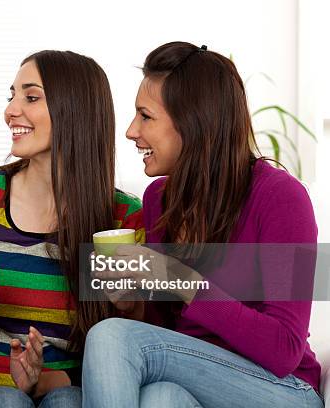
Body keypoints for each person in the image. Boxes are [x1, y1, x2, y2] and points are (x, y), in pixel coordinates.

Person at [81, 42, 324, 407]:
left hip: (282, 389)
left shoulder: (282, 197)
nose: (131, 131)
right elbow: (170, 335)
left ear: (192, 123)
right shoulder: (158, 198)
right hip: (198, 379)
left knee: (110, 337)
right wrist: (135, 307)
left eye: (145, 116)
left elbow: (284, 350)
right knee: (161, 398)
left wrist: (178, 278)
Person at [0, 50, 145, 407]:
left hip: (63, 392)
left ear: (74, 111)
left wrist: (42, 381)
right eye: (12, 96)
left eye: (31, 97)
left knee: (67, 401)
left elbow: (132, 346)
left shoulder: (121, 218)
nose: (10, 111)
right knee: (8, 402)